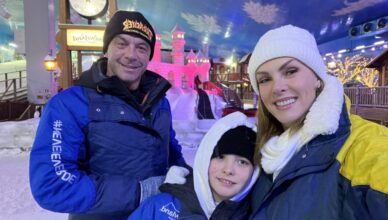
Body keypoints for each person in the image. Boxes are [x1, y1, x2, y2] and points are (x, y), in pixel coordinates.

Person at [29, 10, 186, 220]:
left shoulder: (160, 103)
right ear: (106, 50)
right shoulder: (70, 104)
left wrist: (194, 180)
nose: (131, 55)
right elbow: (52, 184)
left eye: (141, 47)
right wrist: (140, 192)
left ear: (149, 56)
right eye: (122, 44)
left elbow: (172, 153)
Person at [247, 25, 388, 219]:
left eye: (290, 71)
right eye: (264, 80)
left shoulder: (366, 145)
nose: (277, 87)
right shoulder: (262, 148)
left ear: (317, 78)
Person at [128, 111, 260, 219]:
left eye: (242, 162)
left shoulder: (260, 215)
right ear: (205, 159)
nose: (228, 170)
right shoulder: (159, 207)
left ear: (254, 171)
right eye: (220, 157)